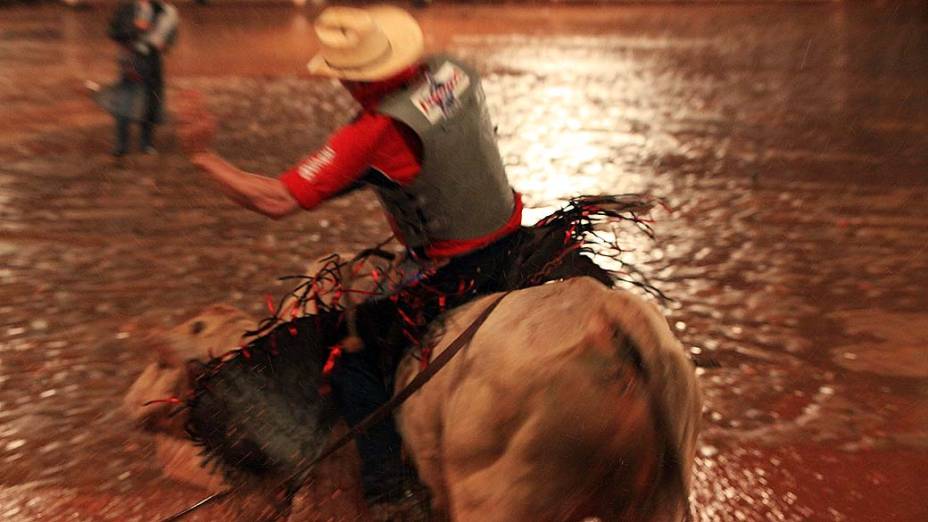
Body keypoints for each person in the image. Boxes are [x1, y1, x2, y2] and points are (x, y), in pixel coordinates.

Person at [177, 4, 616, 507]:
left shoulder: (373, 134)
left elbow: (275, 199)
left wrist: (204, 157)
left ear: (350, 78)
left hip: (459, 270)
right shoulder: (453, 72)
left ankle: (389, 492)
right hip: (519, 241)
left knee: (350, 355)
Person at [106, 0, 178, 156]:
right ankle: (121, 145)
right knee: (125, 102)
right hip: (131, 59)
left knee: (150, 102)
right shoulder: (127, 9)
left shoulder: (164, 11)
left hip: (153, 61)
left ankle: (146, 144)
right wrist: (135, 28)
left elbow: (171, 36)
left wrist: (165, 45)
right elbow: (114, 32)